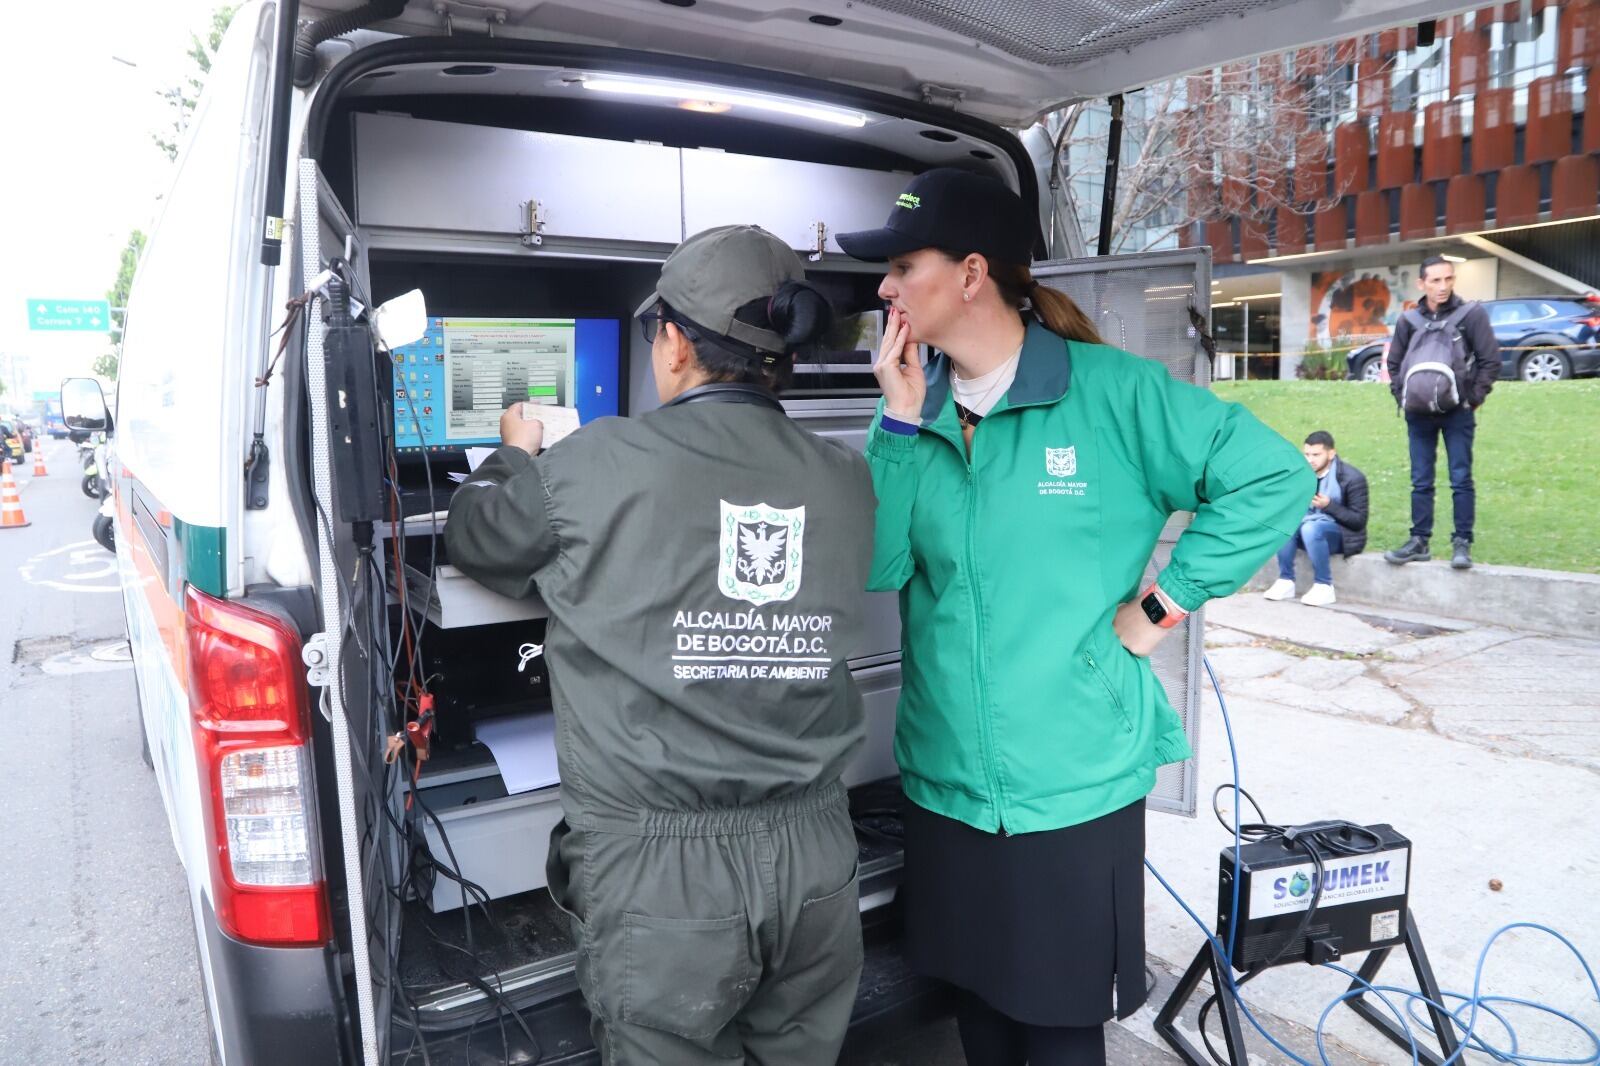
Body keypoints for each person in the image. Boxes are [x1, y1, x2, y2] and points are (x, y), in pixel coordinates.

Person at [836, 168, 1314, 1066]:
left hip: (1072, 783)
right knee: (977, 1016)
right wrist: (897, 425)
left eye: (902, 265)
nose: (885, 288)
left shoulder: (1110, 394)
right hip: (947, 786)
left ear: (971, 274)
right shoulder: (912, 409)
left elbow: (1276, 477)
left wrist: (1158, 608)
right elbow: (880, 564)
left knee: (1056, 1032)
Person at [446, 225, 877, 1066]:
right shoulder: (848, 476)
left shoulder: (594, 463)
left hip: (665, 880)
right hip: (820, 860)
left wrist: (512, 451)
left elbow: (482, 538)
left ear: (674, 342)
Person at [1383, 255, 1499, 570]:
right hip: (1418, 414)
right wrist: (1403, 397)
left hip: (1457, 412)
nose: (1443, 286)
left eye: (1448, 279)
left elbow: (1490, 361)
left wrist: (1472, 400)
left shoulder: (1470, 315)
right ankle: (1419, 540)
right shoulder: (1408, 320)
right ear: (1422, 284)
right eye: (1435, 280)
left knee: (1460, 478)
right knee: (1421, 480)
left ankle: (1462, 542)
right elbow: (1394, 364)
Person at [1263, 430, 1370, 606]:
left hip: (1343, 535)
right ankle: (1285, 580)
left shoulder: (1352, 478)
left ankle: (1324, 585)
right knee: (1285, 524)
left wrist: (1329, 506)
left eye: (1316, 455)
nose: (1310, 460)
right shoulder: (1302, 475)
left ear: (1331, 453)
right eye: (1307, 454)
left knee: (1311, 528)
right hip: (1307, 530)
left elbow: (1358, 521)